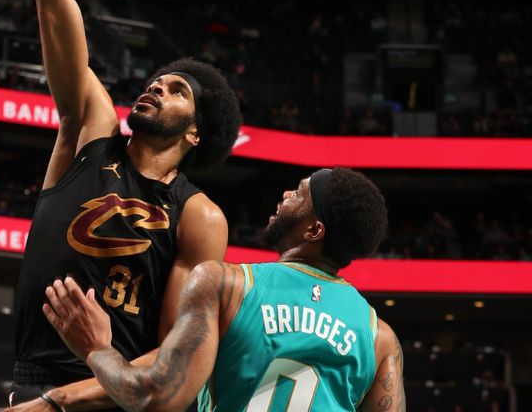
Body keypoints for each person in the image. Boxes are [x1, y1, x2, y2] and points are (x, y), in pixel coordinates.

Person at [9, 0, 242, 408]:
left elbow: (172, 359)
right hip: (29, 386)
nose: (158, 87)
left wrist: (69, 395)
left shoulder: (198, 216)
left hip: (103, 396)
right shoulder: (91, 129)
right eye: (158, 80)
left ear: (196, 133)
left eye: (177, 90)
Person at [44, 167, 406, 412]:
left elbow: (156, 396)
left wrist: (97, 349)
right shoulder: (379, 338)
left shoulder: (225, 284)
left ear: (314, 231)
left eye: (299, 193)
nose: (285, 194)